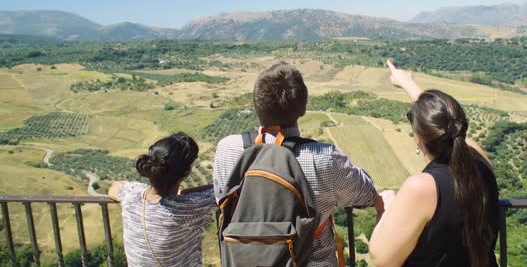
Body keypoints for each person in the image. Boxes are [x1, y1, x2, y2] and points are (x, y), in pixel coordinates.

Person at [214, 61, 380, 266]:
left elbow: (220, 200)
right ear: (303, 109)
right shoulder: (323, 158)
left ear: (257, 106)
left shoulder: (226, 149)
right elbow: (366, 194)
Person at [369, 61, 499, 267]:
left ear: (418, 139)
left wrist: (385, 209)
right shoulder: (481, 162)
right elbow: (445, 125)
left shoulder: (423, 186)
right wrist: (407, 83)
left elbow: (381, 259)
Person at [108, 133, 215, 267]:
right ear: (186, 173)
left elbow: (114, 187)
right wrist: (184, 193)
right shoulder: (187, 207)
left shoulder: (131, 195)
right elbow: (223, 191)